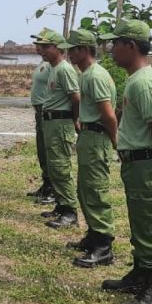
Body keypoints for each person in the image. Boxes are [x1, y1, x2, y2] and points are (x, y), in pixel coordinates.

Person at [99, 19, 152, 304]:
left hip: (149, 164)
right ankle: (140, 275)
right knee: (142, 225)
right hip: (139, 164)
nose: (111, 49)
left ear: (131, 46)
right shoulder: (136, 79)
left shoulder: (142, 82)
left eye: (116, 43)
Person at [60, 29, 118, 269]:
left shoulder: (95, 76)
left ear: (84, 50)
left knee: (96, 191)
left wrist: (116, 143)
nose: (69, 54)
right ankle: (94, 236)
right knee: (85, 190)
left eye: (72, 49)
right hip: (88, 136)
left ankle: (103, 246)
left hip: (97, 138)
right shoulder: (86, 75)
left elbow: (109, 116)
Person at [35, 29, 81, 228]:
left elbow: (75, 97)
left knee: (61, 167)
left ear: (58, 48)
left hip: (61, 122)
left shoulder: (64, 69)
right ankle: (61, 206)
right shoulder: (52, 68)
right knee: (54, 166)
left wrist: (75, 120)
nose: (41, 50)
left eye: (46, 47)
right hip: (51, 121)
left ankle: (70, 210)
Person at [28, 34, 55, 204]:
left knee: (49, 152)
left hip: (48, 112)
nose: (38, 47)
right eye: (37, 43)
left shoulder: (54, 66)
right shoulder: (43, 64)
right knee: (42, 151)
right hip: (40, 113)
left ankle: (53, 189)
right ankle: (46, 184)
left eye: (42, 44)